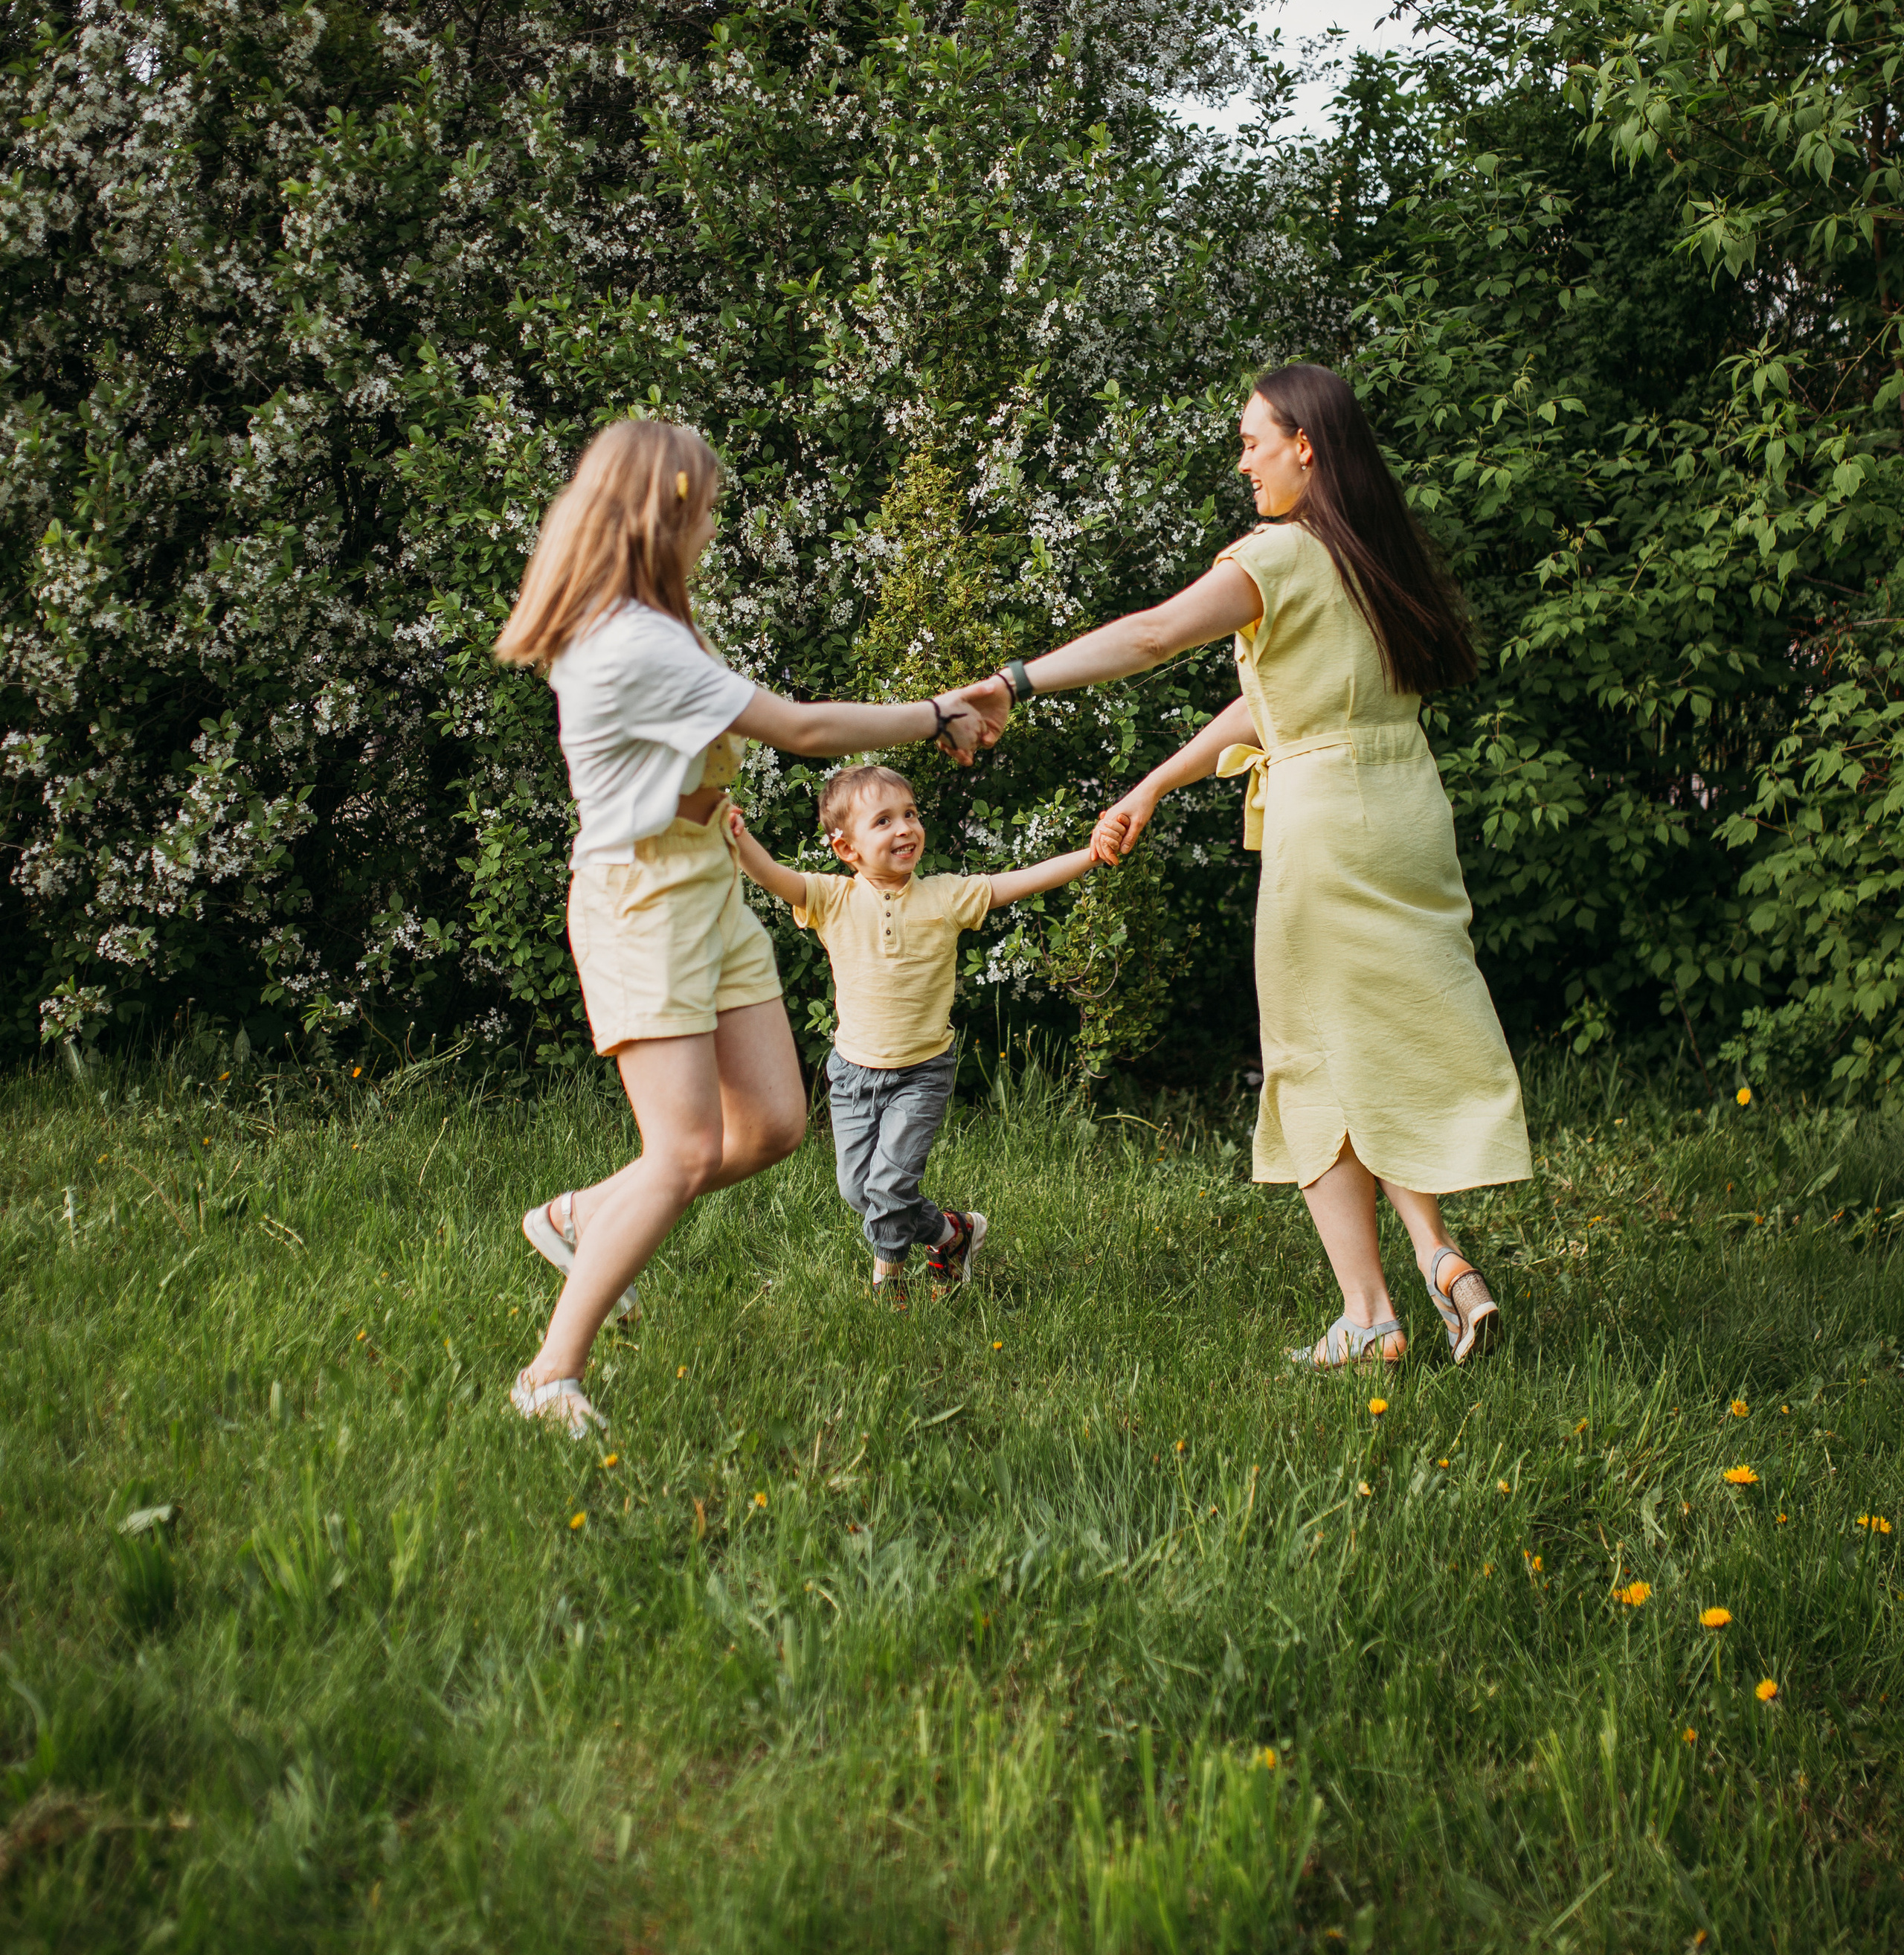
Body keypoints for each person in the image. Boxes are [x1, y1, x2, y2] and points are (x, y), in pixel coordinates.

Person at [959, 363, 1529, 1372]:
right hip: (1402, 806)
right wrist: (1156, 783)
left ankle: (1368, 1315)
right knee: (1381, 1036)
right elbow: (1279, 704)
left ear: (1305, 446)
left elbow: (1151, 635)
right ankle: (1439, 1260)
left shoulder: (1281, 552)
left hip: (1327, 826)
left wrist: (1015, 681)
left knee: (1314, 1054)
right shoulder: (1371, 555)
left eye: (1254, 441)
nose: (1243, 460)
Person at [492, 418, 987, 1436]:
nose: (714, 524)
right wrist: (937, 712)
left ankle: (584, 1216)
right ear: (660, 511)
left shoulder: (655, 624)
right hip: (642, 905)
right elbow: (802, 731)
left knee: (769, 1124)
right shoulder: (624, 640)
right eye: (705, 506)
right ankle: (550, 1374)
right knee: (677, 1153)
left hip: (704, 884)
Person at [730, 765, 1095, 1308]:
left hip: (922, 1073)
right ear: (847, 848)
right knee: (859, 1191)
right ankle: (952, 1235)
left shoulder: (947, 897)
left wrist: (1091, 854)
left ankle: (888, 1281)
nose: (905, 828)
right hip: (853, 1073)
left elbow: (1021, 881)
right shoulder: (831, 899)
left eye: (911, 814)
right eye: (884, 821)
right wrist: (734, 836)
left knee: (888, 1186)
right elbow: (772, 875)